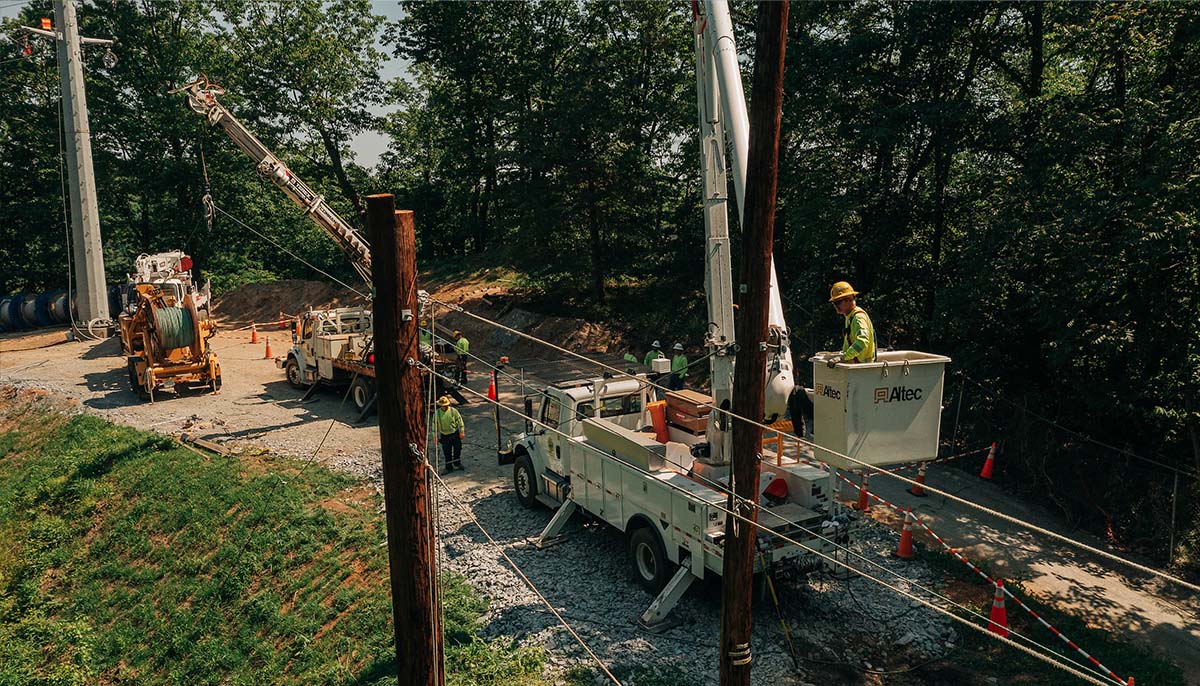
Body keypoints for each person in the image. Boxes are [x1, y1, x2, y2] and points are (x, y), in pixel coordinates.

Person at [827, 281, 876, 367]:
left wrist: (844, 357)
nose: (835, 306)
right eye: (834, 303)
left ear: (849, 299)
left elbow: (862, 341)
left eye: (837, 302)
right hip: (858, 367)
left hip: (863, 368)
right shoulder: (850, 317)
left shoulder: (858, 317)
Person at [435, 395, 465, 472]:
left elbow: (459, 421)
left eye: (446, 405)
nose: (445, 407)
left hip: (454, 433)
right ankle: (448, 467)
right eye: (443, 406)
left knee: (457, 449)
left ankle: (457, 463)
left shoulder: (453, 411)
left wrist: (461, 431)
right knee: (447, 452)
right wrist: (435, 436)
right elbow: (434, 425)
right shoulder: (437, 413)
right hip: (444, 436)